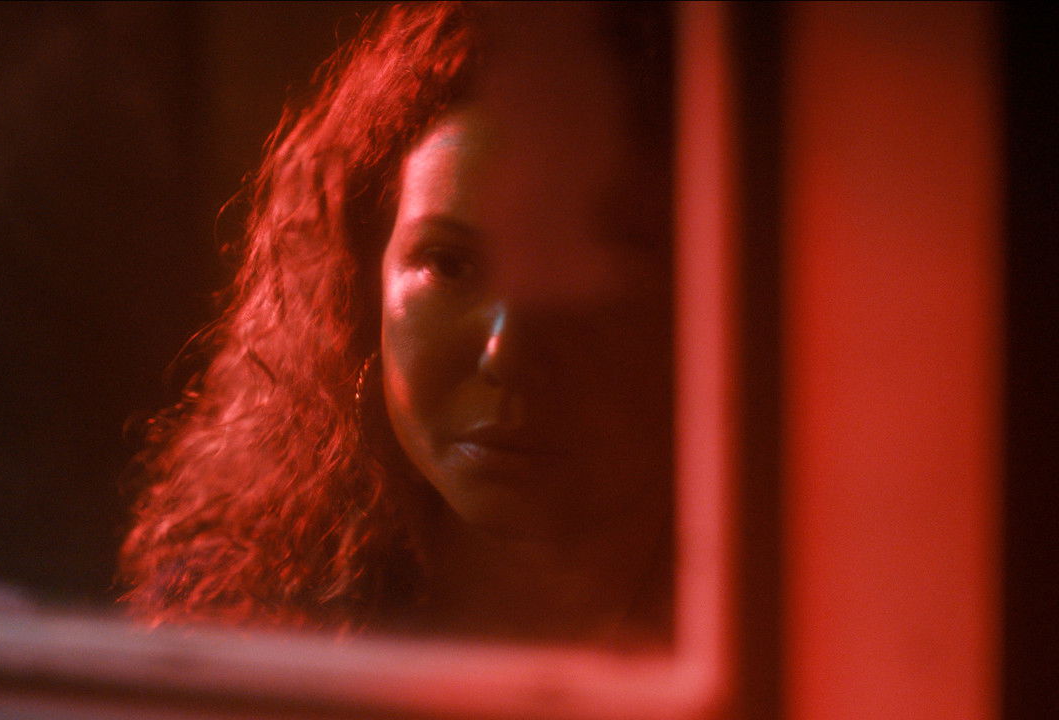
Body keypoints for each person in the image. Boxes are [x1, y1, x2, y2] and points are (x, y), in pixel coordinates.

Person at [120, 1, 675, 645]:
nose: (508, 352)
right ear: (363, 291)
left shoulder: (775, 624)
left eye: (584, 271)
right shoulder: (241, 611)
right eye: (450, 264)